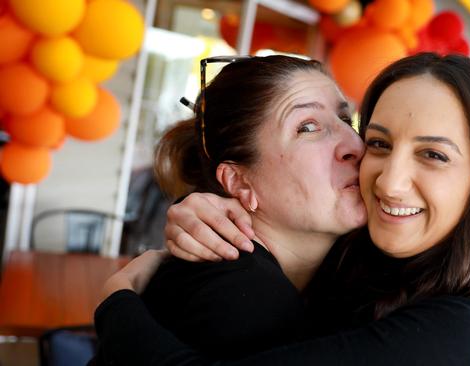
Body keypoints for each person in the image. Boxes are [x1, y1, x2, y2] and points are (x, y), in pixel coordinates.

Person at [95, 53, 470, 365]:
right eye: (379, 141)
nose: (359, 152)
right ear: (237, 181)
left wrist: (118, 302)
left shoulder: (467, 335)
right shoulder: (322, 276)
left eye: (433, 154)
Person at [91, 55, 367, 363]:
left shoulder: (331, 271)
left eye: (345, 120)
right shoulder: (243, 297)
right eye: (308, 127)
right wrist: (116, 299)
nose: (355, 145)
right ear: (239, 182)